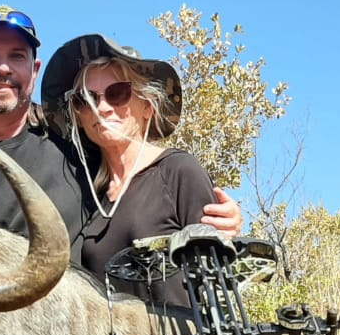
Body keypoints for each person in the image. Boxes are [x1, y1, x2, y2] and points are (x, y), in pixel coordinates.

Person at [0, 7, 240, 263]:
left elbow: (142, 175)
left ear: (34, 71)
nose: (3, 67)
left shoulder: (76, 149)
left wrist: (224, 222)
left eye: (17, 56)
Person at [39, 33, 219, 307]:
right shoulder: (89, 196)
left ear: (147, 106)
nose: (102, 108)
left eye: (118, 93)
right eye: (85, 99)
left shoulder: (178, 172)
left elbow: (217, 277)